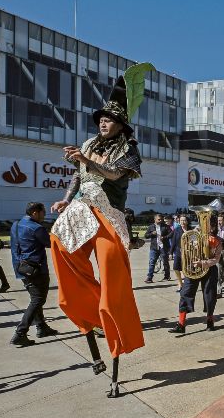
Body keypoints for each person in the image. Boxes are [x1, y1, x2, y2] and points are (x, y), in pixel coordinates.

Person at [49, 64, 151, 398]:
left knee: (113, 280)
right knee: (57, 242)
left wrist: (88, 160)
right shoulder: (89, 142)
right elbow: (79, 176)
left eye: (108, 119)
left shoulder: (130, 150)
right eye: (100, 119)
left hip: (109, 215)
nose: (102, 122)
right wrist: (65, 200)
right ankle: (85, 310)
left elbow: (110, 175)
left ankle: (113, 332)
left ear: (121, 123)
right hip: (81, 209)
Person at [8, 202, 59, 346]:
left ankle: (42, 327)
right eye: (43, 212)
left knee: (35, 298)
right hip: (36, 270)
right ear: (35, 213)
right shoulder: (37, 228)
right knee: (38, 300)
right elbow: (51, 243)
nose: (44, 216)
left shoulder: (16, 224)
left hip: (20, 267)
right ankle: (20, 333)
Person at [168, 214, 223, 333]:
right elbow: (186, 247)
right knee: (185, 293)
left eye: (210, 225)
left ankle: (210, 320)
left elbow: (216, 259)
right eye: (205, 223)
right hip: (193, 268)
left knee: (210, 295)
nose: (207, 227)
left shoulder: (217, 240)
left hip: (209, 269)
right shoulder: (193, 235)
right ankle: (181, 324)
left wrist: (203, 263)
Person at [144, 214, 172, 283]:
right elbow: (146, 236)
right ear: (155, 219)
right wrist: (152, 234)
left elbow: (171, 234)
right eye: (159, 219)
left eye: (161, 219)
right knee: (152, 262)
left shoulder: (165, 226)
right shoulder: (151, 227)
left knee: (165, 262)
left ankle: (167, 276)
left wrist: (164, 237)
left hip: (163, 247)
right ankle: (149, 277)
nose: (160, 220)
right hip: (154, 247)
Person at [171, 215, 188, 291]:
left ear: (187, 221)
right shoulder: (177, 230)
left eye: (184, 220)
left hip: (188, 252)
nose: (182, 222)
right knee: (176, 268)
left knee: (186, 269)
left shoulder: (191, 229)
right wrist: (170, 253)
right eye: (181, 220)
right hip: (178, 252)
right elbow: (173, 242)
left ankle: (186, 284)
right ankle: (180, 283)